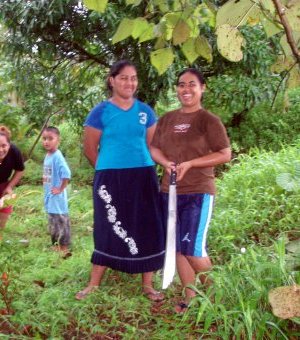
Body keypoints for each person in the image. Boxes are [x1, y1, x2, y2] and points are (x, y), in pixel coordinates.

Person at [76, 60, 165, 301]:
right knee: (107, 226)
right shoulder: (100, 112)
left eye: (133, 78)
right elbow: (89, 149)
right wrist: (108, 170)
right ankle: (94, 284)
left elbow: (151, 147)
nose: (130, 82)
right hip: (110, 178)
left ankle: (148, 284)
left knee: (147, 226)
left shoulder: (146, 112)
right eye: (124, 77)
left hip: (144, 177)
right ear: (112, 80)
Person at [150, 68, 231, 313]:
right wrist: (165, 162)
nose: (186, 90)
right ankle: (191, 298)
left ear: (202, 88)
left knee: (193, 250)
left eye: (192, 84)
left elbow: (225, 154)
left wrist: (192, 163)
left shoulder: (208, 120)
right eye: (181, 85)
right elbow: (153, 148)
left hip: (198, 192)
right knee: (177, 248)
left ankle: (221, 300)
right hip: (170, 192)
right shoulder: (167, 119)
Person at [41, 126, 72, 256]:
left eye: (50, 139)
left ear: (58, 140)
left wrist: (60, 188)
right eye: (44, 138)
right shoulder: (48, 155)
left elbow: (67, 174)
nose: (46, 142)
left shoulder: (57, 156)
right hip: (50, 196)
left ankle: (64, 247)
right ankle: (56, 246)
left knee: (61, 221)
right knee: (53, 222)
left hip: (57, 198)